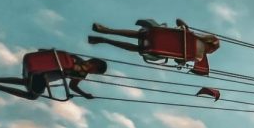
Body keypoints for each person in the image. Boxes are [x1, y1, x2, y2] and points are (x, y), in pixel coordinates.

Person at [89, 19, 220, 74]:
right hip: (158, 50)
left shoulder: (193, 35)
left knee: (138, 35)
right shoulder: (198, 56)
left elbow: (178, 21)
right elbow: (179, 60)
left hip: (160, 36)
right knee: (138, 48)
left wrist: (184, 27)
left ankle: (107, 30)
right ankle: (105, 40)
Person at [0, 50, 106, 101]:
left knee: (26, 81)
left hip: (34, 67)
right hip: (42, 77)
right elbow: (73, 86)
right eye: (95, 72)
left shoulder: (74, 57)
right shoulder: (82, 72)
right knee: (32, 96)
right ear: (94, 65)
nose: (92, 73)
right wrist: (85, 95)